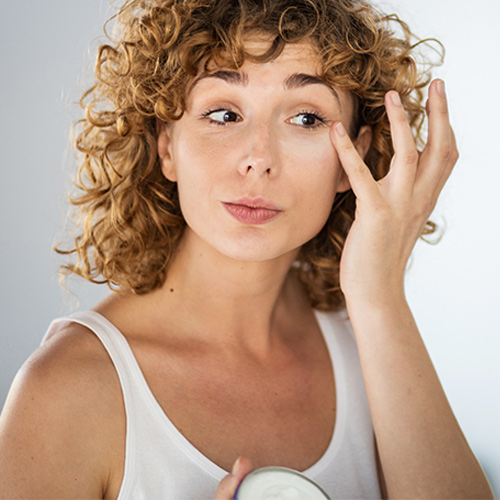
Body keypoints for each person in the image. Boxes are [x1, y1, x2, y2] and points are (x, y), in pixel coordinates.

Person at [0, 0, 493, 498]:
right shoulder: (66, 389)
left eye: (304, 119)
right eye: (223, 113)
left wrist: (379, 296)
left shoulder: (373, 344)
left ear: (354, 161)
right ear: (166, 145)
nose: (259, 159)